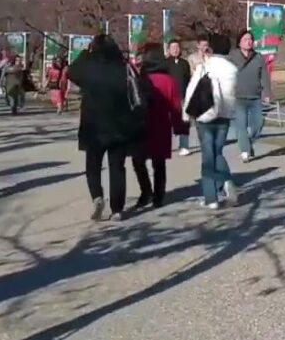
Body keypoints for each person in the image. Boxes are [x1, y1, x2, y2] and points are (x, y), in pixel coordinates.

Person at [68, 34, 145, 221]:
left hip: (93, 124)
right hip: (119, 124)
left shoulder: (88, 67)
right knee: (117, 167)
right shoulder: (123, 67)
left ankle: (97, 196)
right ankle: (117, 208)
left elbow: (72, 72)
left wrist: (84, 54)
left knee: (93, 165)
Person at [183, 33, 238, 210]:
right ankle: (227, 182)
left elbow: (192, 89)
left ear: (211, 48)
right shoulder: (233, 69)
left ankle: (211, 198)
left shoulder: (205, 65)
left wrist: (186, 114)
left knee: (208, 156)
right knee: (218, 152)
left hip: (205, 116)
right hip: (225, 115)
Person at [132, 43, 184, 208]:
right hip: (162, 125)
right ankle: (158, 196)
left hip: (142, 125)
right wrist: (179, 127)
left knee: (138, 161)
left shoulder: (142, 79)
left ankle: (146, 191)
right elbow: (176, 106)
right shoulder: (169, 80)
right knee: (159, 163)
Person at [228, 30, 272, 162]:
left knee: (257, 126)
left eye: (250, 39)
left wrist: (267, 93)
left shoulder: (258, 57)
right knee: (241, 125)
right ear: (239, 42)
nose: (249, 41)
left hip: (255, 97)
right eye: (245, 39)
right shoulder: (232, 56)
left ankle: (248, 144)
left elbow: (264, 76)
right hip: (238, 97)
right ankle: (245, 151)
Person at [164, 39, 193, 155]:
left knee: (185, 122)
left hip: (183, 97)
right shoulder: (165, 63)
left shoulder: (184, 63)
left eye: (177, 47)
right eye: (173, 47)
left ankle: (184, 146)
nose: (175, 50)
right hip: (168, 99)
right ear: (169, 50)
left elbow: (189, 80)